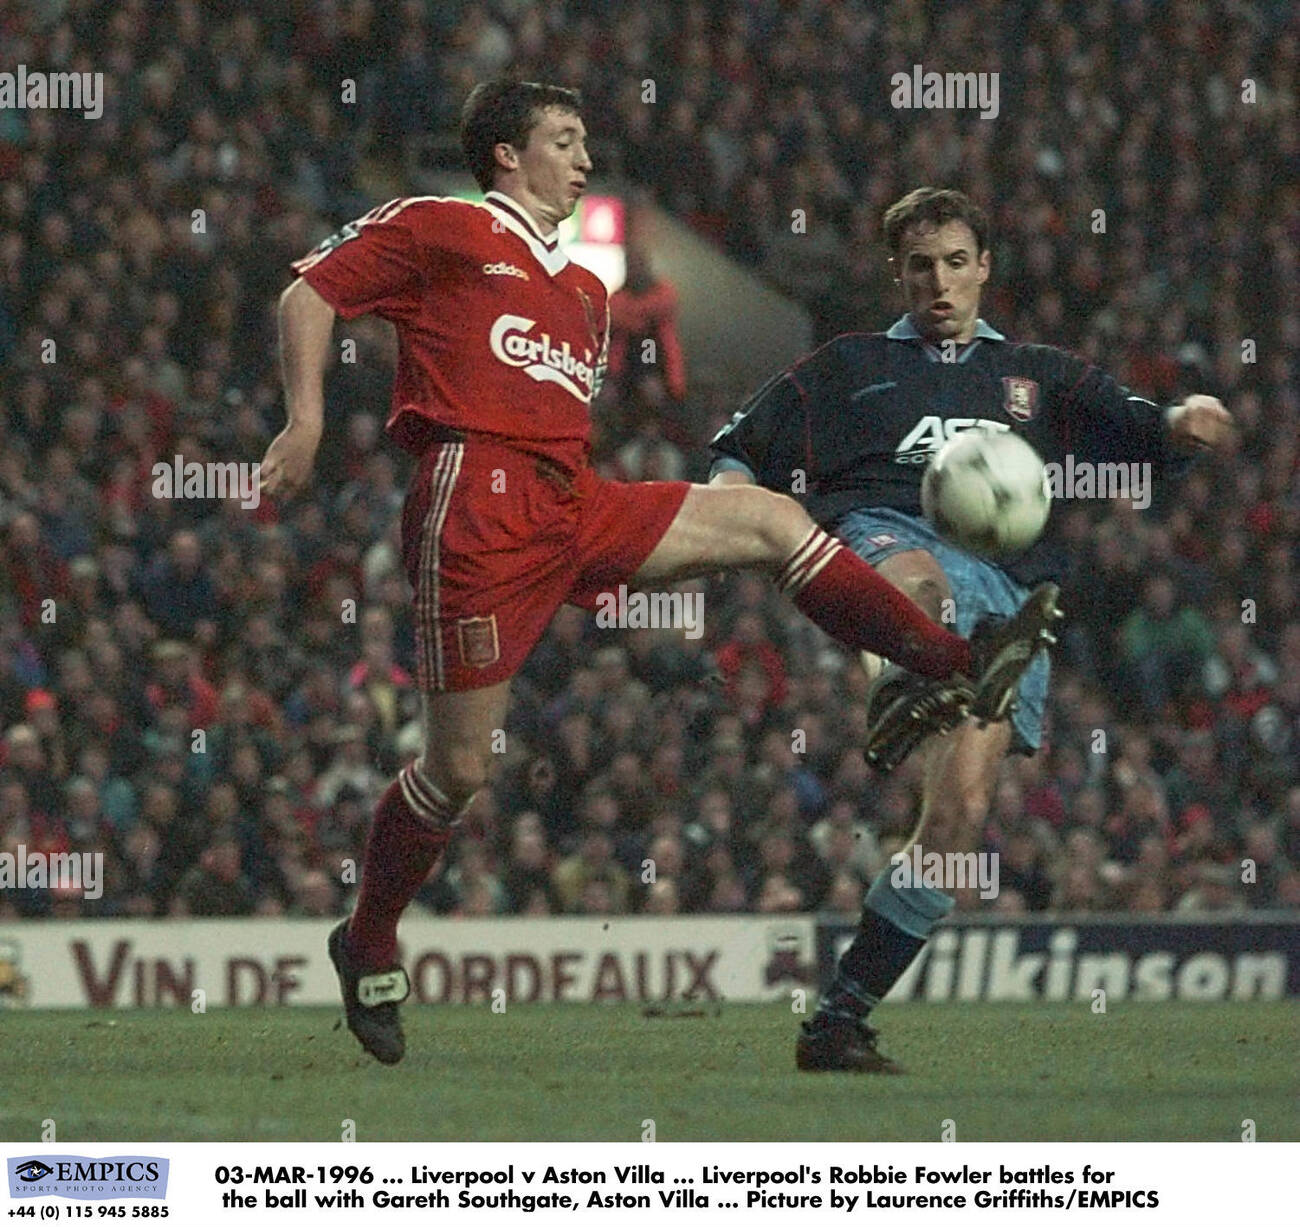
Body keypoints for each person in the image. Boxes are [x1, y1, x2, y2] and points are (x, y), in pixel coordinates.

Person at [261, 87, 1052, 1066]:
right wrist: (302, 422)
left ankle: (944, 658)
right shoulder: (444, 224)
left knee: (769, 517)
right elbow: (309, 292)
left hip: (573, 500)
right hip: (478, 506)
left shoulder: (584, 291)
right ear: (506, 154)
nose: (585, 157)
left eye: (586, 139)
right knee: (458, 769)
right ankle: (369, 935)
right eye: (565, 140)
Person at [709, 187, 1234, 1073]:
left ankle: (838, 1020)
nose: (940, 282)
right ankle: (902, 685)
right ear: (897, 274)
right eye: (921, 266)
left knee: (955, 829)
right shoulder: (848, 366)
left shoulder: (1041, 375)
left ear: (985, 266)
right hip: (887, 537)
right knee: (919, 586)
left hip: (1010, 594)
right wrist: (727, 490)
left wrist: (1185, 423)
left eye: (957, 262)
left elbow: (1142, 433)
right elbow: (739, 440)